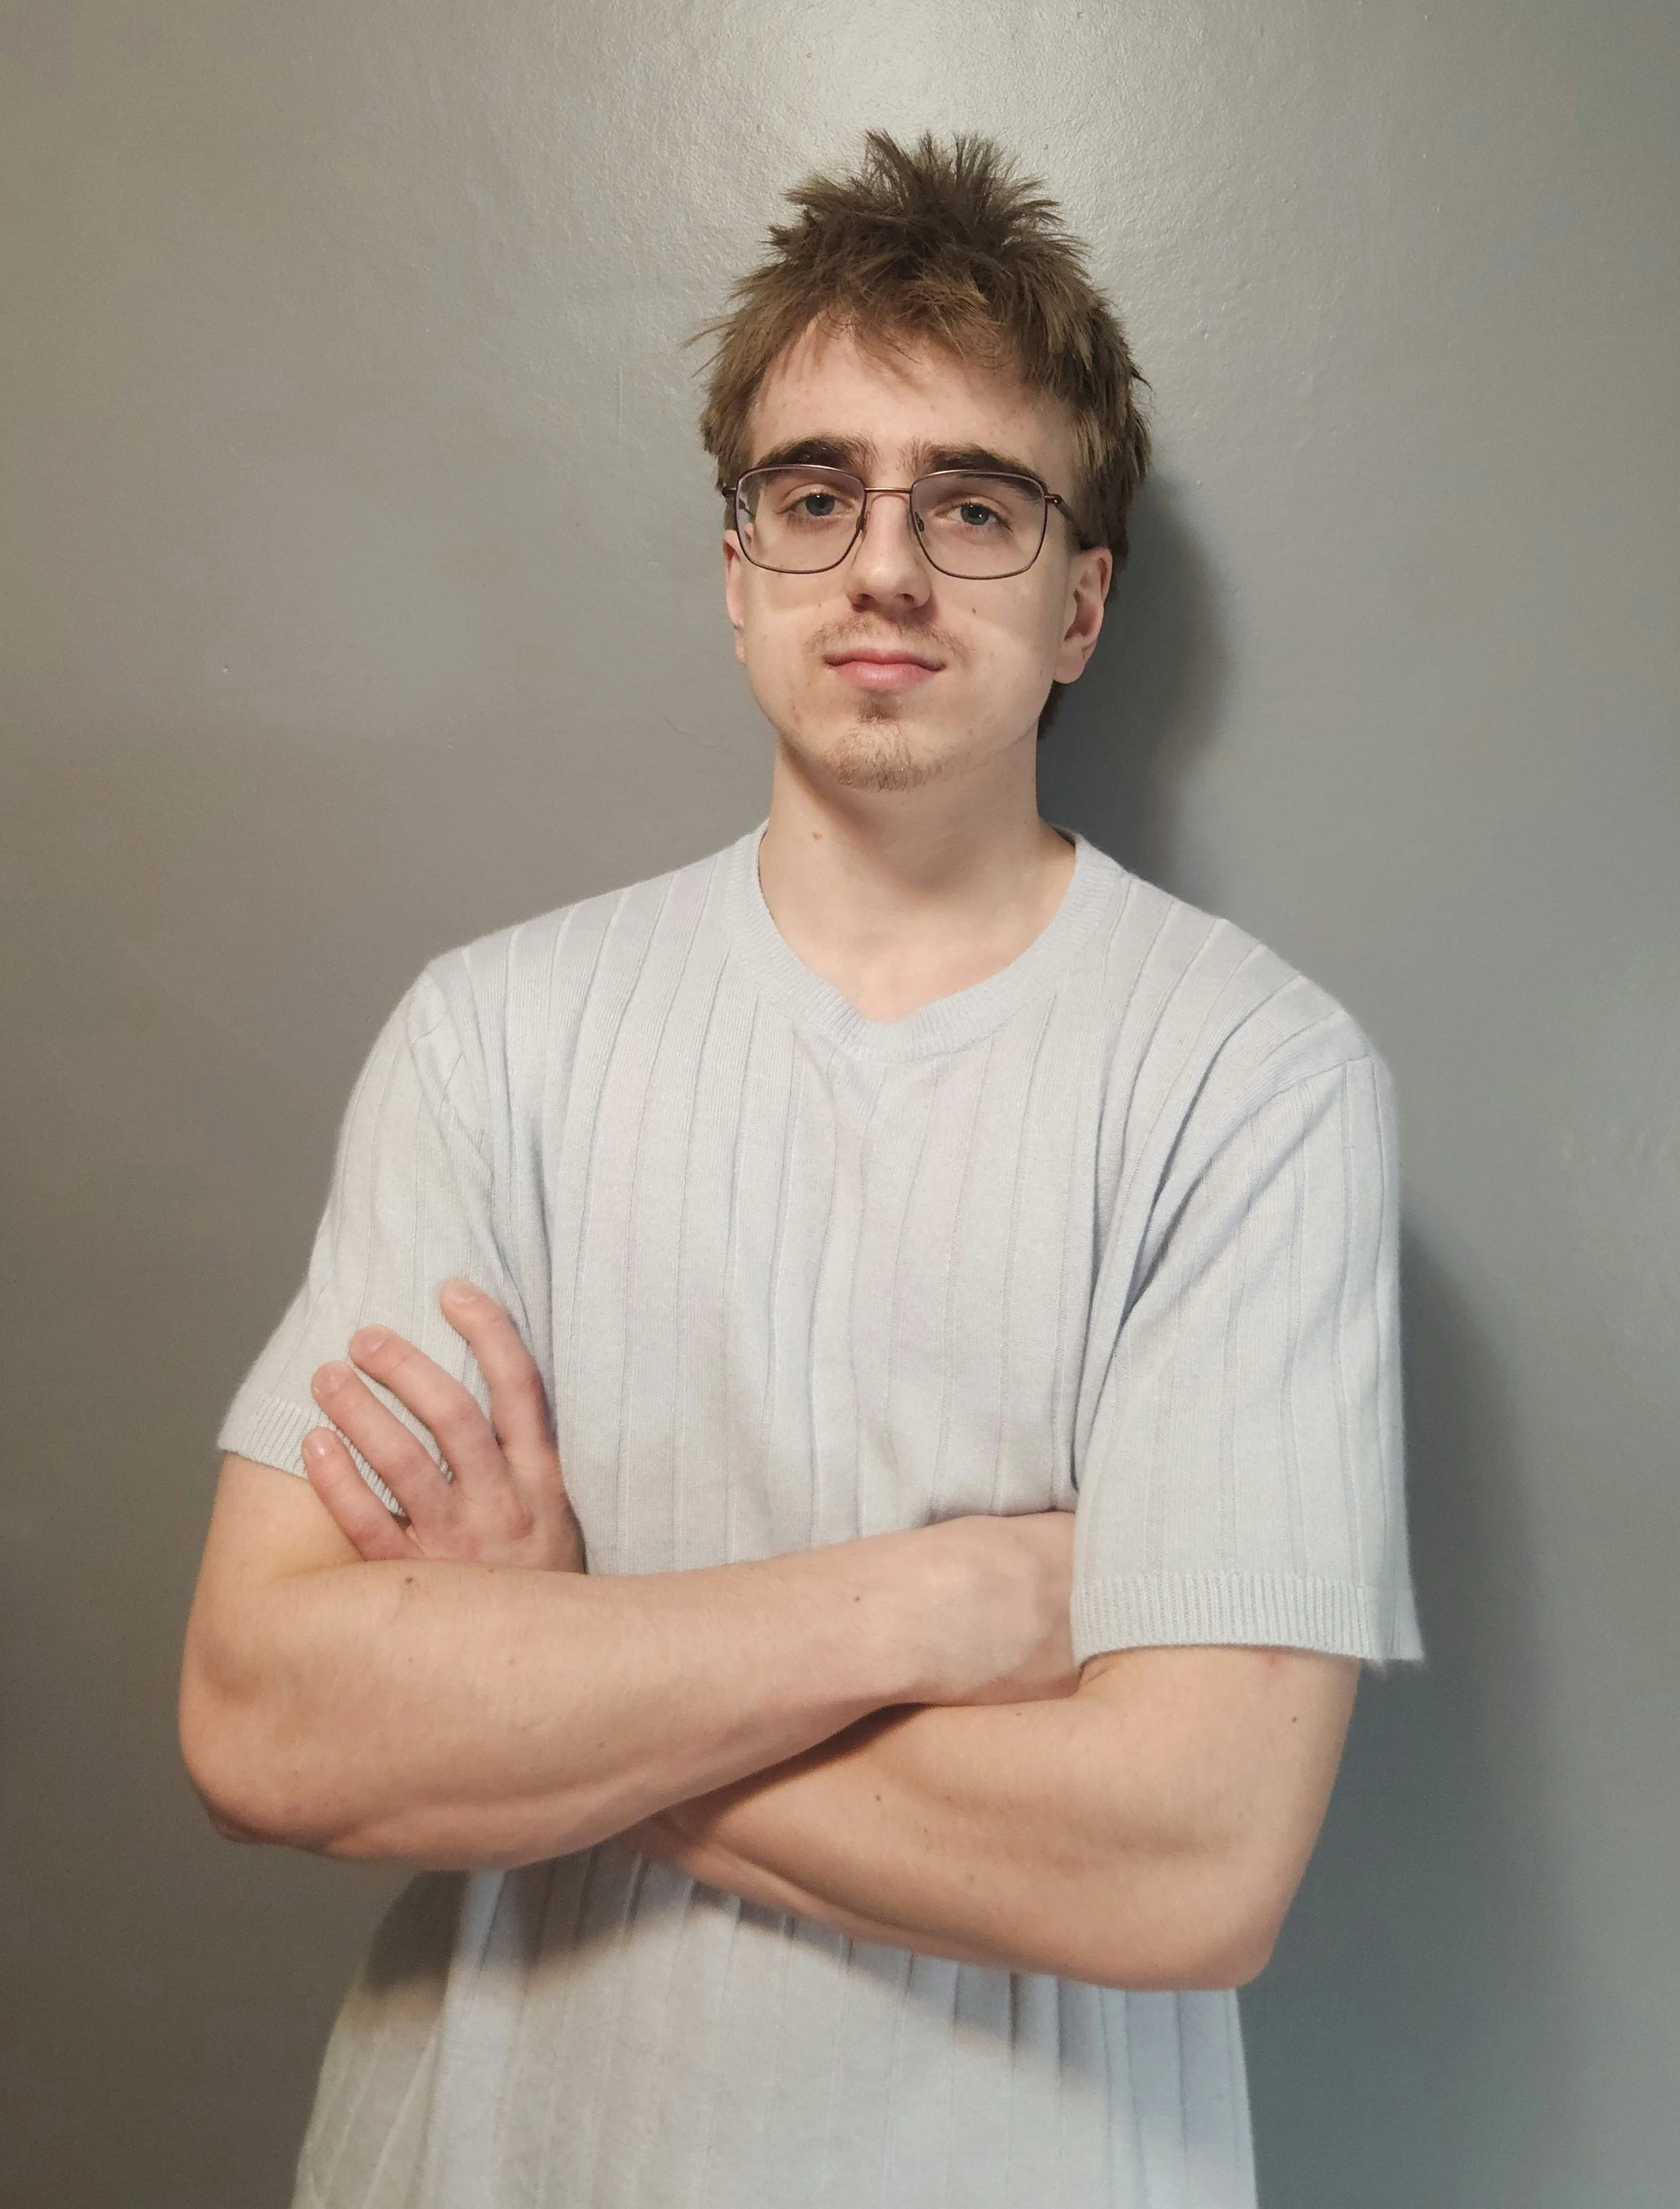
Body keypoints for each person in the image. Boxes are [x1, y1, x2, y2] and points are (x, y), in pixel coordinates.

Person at [180, 130, 1422, 2209]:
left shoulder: (1252, 1080)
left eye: (976, 503)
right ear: (736, 567)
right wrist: (943, 1596)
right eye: (814, 489)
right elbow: (267, 1717)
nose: (885, 564)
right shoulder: (491, 1037)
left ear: (1080, 606)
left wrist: (554, 1666)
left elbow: (1187, 1863)